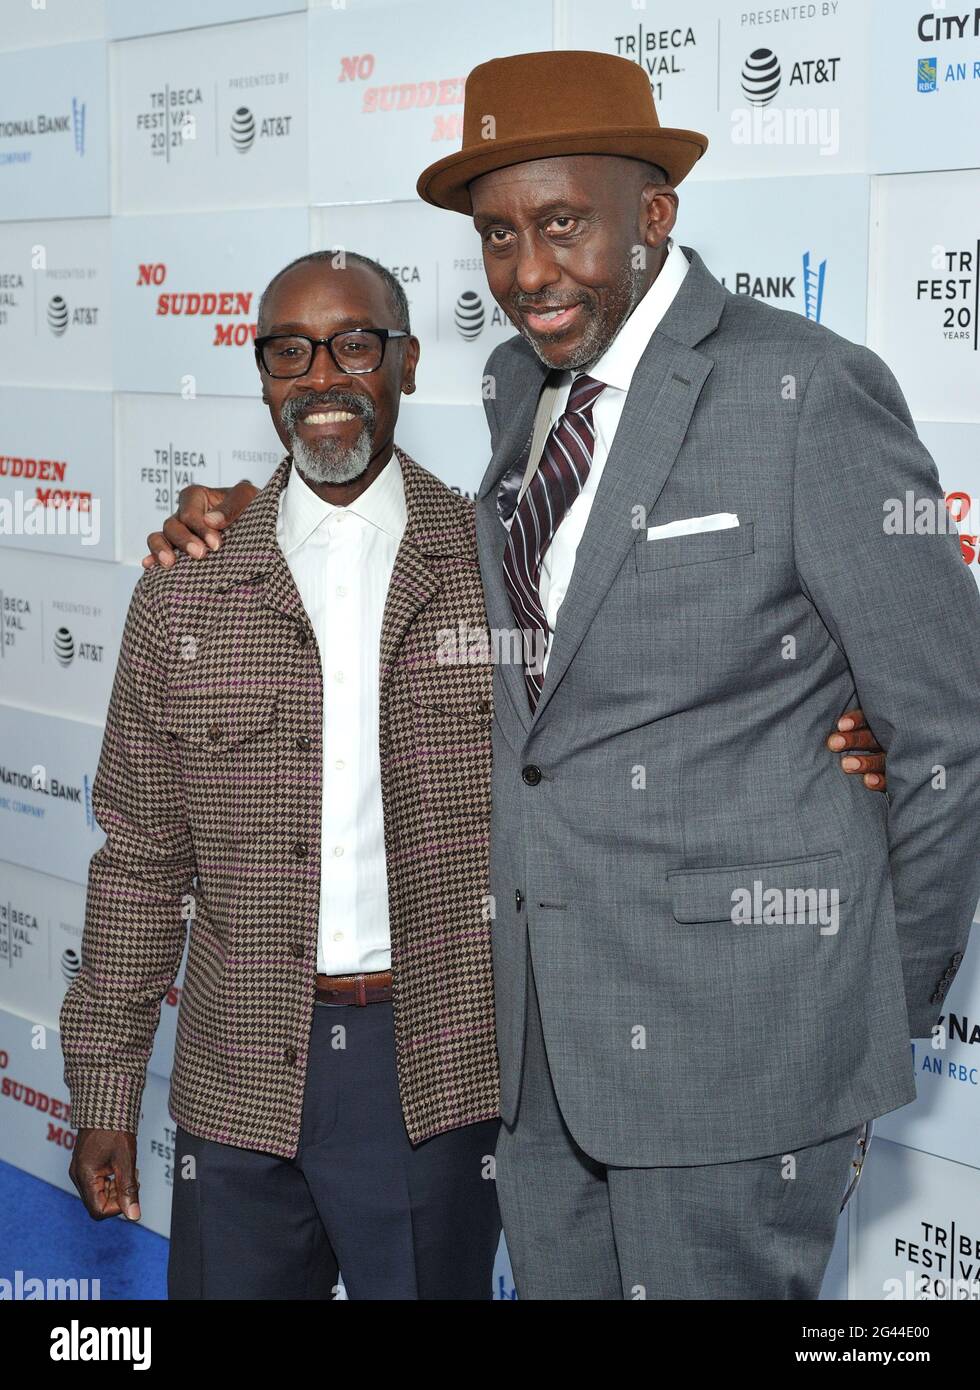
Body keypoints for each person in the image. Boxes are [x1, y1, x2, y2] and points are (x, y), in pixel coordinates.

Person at [141, 45, 933, 1297]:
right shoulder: (522, 395)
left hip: (741, 1055)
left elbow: (947, 726)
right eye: (497, 235)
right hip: (537, 1065)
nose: (525, 272)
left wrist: (863, 1009)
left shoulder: (804, 389)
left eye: (562, 224)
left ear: (653, 214)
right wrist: (256, 520)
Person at [60, 251, 502, 1300]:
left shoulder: (496, 569)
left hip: (433, 1070)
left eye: (354, 344)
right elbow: (139, 862)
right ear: (262, 375)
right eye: (289, 352)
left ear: (406, 362)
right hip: (235, 1071)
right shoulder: (186, 590)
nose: (321, 377)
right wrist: (106, 1089)